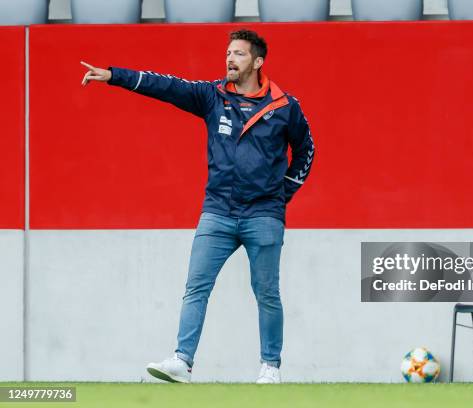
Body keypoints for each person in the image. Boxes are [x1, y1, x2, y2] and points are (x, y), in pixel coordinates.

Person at [80, 29, 314, 384]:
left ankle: (270, 367)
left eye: (238, 54)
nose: (230, 59)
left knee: (267, 292)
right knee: (196, 287)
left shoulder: (285, 107)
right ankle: (182, 361)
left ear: (258, 62)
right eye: (228, 53)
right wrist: (114, 76)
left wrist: (283, 194)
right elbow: (166, 86)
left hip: (264, 215)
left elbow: (307, 151)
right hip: (217, 211)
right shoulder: (211, 95)